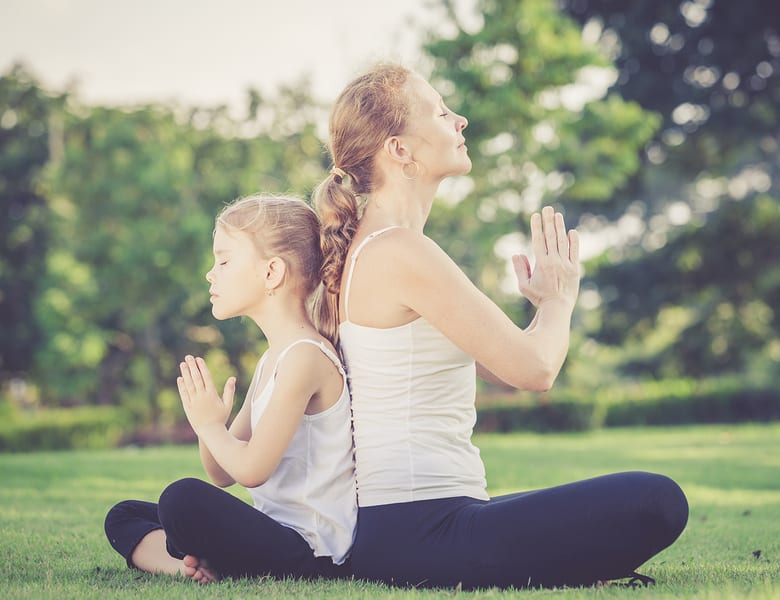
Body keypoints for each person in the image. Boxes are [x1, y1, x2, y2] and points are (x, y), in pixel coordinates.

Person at [312, 63, 689, 590]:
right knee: (657, 499)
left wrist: (541, 311)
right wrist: (559, 300)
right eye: (441, 112)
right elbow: (536, 370)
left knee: (609, 504)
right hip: (420, 531)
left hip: (421, 526)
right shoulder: (399, 249)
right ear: (400, 150)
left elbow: (500, 365)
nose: (460, 119)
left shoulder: (382, 246)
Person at [104, 193, 356, 584]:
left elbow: (251, 470)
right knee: (124, 515)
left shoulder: (305, 357)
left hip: (311, 551)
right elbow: (222, 473)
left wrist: (210, 427)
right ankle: (191, 568)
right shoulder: (273, 358)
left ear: (271, 273)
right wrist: (211, 426)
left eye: (223, 261)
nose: (211, 274)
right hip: (273, 533)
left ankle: (206, 562)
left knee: (181, 499)